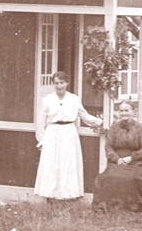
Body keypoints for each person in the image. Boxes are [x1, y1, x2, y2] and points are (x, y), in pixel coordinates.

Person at [34, 72, 102, 204]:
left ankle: (68, 196)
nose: (59, 86)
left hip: (69, 133)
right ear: (53, 84)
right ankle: (51, 196)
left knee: (68, 163)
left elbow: (84, 115)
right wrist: (41, 141)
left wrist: (100, 122)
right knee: (52, 164)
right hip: (52, 133)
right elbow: (40, 121)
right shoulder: (47, 100)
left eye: (62, 83)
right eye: (56, 83)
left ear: (67, 83)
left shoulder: (74, 99)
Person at [91, 101, 142, 212]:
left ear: (133, 112)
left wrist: (131, 157)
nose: (124, 113)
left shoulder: (140, 128)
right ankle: (109, 206)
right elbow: (108, 146)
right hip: (117, 160)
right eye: (121, 111)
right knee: (106, 177)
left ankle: (135, 207)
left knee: (134, 179)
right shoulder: (114, 128)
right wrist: (117, 159)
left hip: (136, 161)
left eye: (126, 110)